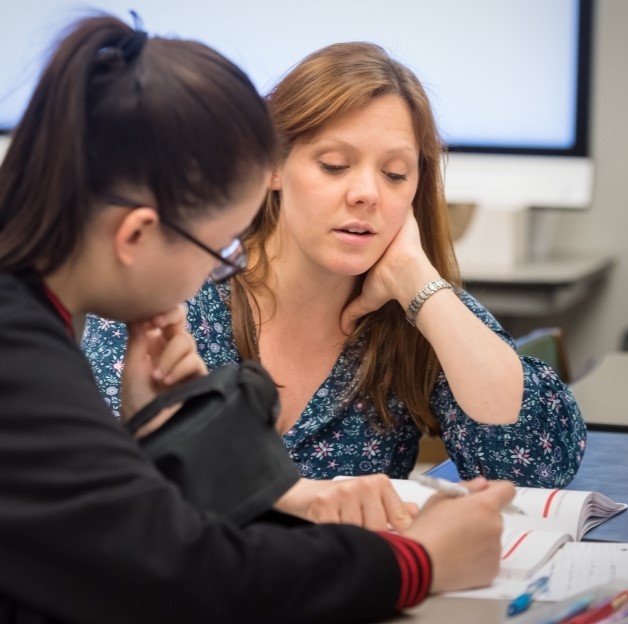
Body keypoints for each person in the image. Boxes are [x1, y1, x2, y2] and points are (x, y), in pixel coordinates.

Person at [0, 13, 517, 623]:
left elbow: (114, 530)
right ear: (136, 234)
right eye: (217, 251)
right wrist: (418, 560)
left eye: (395, 173)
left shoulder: (33, 318)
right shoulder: (19, 356)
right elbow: (184, 574)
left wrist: (145, 437)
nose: (213, 275)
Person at [83, 41, 587, 488]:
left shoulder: (412, 308)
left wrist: (420, 284)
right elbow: (102, 486)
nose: (366, 194)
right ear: (274, 166)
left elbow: (538, 466)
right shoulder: (177, 290)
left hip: (355, 590)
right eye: (334, 166)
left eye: (395, 174)